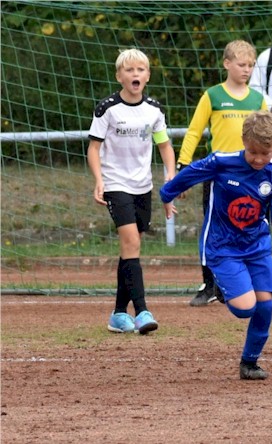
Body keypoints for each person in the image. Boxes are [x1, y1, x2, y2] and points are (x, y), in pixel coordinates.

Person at [160, 111, 272, 380]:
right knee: (245, 309)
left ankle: (249, 363)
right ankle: (220, 286)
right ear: (244, 141)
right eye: (253, 151)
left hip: (257, 246)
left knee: (265, 305)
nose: (258, 159)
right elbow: (189, 175)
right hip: (222, 246)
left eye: (265, 153)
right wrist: (167, 195)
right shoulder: (221, 162)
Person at [177, 39, 272, 307]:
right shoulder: (213, 96)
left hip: (255, 176)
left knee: (259, 227)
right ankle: (209, 284)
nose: (247, 70)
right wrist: (183, 166)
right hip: (220, 176)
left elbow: (270, 138)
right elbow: (194, 131)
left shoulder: (258, 99)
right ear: (227, 64)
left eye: (251, 65)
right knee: (212, 227)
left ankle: (268, 286)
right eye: (241, 64)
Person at [87, 48, 176, 335]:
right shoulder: (107, 109)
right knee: (131, 245)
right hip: (116, 184)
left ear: (147, 76)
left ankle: (116, 314)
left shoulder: (154, 110)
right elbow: (94, 147)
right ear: (119, 76)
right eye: (129, 70)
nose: (135, 74)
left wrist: (170, 180)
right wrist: (99, 180)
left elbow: (164, 145)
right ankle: (142, 311)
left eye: (140, 70)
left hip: (143, 186)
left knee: (130, 249)